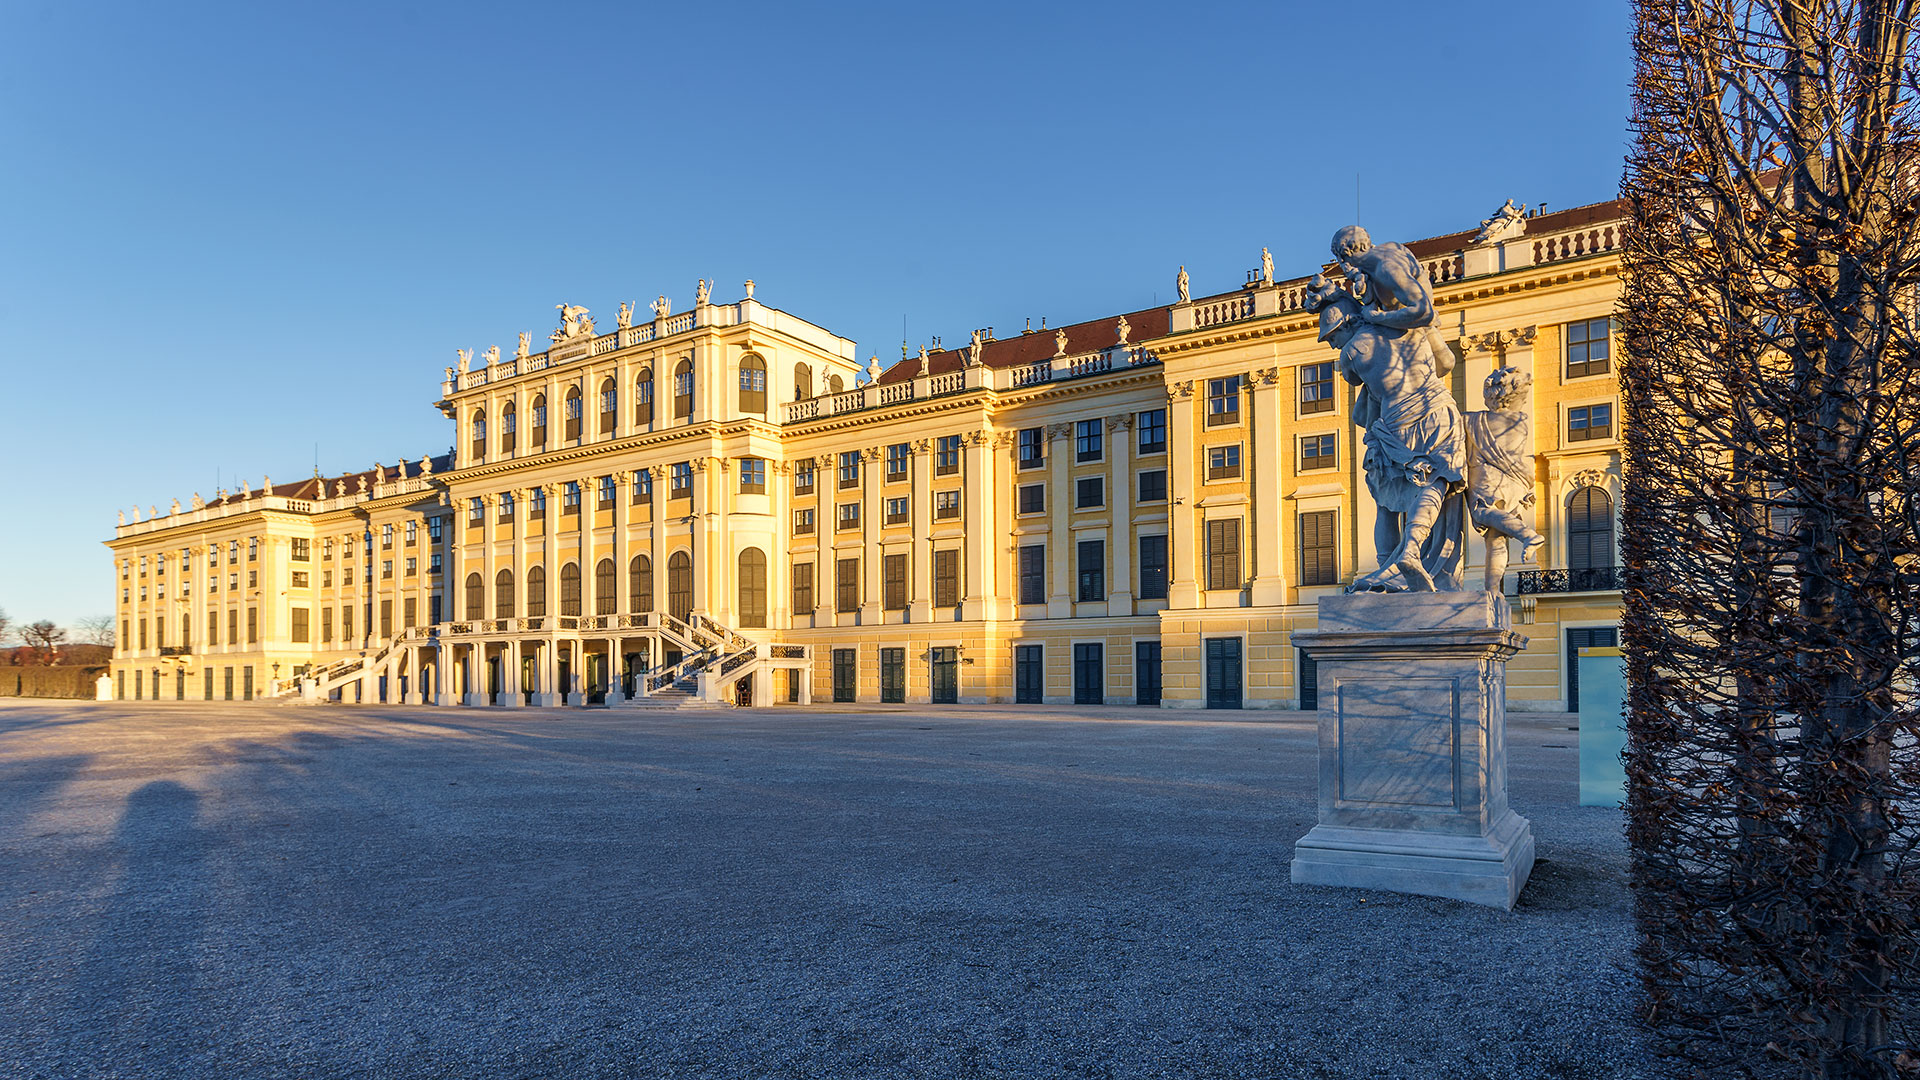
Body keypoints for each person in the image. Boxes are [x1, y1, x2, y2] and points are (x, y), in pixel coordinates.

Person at [1308, 272, 1466, 592]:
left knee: (1385, 500)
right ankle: (1411, 550)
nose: (1332, 343)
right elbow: (1447, 362)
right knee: (1438, 480)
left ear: (1347, 324)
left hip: (1395, 423)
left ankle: (1386, 569)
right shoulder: (1415, 327)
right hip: (1435, 408)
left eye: (1331, 336)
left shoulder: (1351, 354)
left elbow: (1357, 386)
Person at [1464, 368, 1545, 589]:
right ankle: (1492, 593)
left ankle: (1527, 534)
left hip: (1488, 480)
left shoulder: (1475, 420)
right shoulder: (1520, 421)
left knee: (1483, 513)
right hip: (1514, 482)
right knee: (1496, 539)